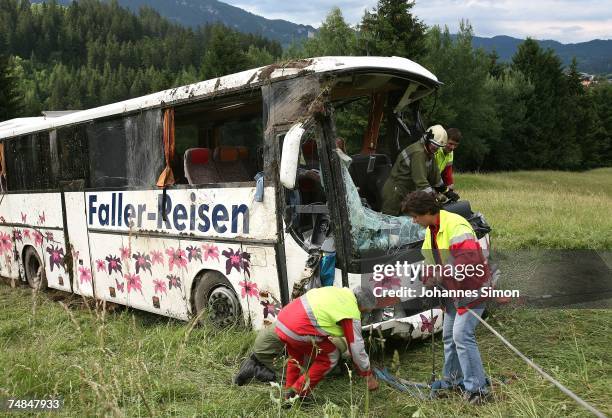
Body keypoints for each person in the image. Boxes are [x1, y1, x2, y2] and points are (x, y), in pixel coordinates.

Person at [401, 191, 492, 404]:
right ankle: (453, 382)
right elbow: (430, 260)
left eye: (415, 216)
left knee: (462, 335)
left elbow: (468, 264)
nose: (413, 221)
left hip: (473, 289)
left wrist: (441, 275)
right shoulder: (431, 229)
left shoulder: (456, 226)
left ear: (426, 212)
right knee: (449, 336)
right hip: (452, 291)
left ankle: (478, 391)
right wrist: (428, 276)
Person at [275, 286, 379, 398]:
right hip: (298, 330)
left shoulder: (338, 291)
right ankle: (298, 393)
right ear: (361, 307)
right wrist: (368, 375)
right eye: (366, 312)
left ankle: (288, 392)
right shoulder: (351, 310)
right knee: (330, 356)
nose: (364, 315)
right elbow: (356, 349)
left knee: (296, 356)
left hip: (282, 322)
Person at [233, 323, 350, 386]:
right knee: (293, 378)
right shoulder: (313, 339)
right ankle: (254, 370)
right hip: (266, 348)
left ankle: (258, 359)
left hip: (267, 341)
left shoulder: (313, 325)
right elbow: (309, 362)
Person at [381, 125, 449, 216]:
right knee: (391, 225)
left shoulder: (429, 153)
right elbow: (421, 182)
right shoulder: (419, 153)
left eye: (438, 146)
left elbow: (435, 175)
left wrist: (446, 190)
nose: (436, 148)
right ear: (427, 139)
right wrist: (434, 199)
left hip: (407, 192)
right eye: (434, 144)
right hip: (395, 193)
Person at [434, 128, 461, 201]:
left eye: (455, 145)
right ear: (444, 140)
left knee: (445, 197)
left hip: (435, 181)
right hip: (426, 182)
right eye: (451, 143)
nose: (452, 147)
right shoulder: (435, 150)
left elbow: (447, 175)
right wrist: (444, 191)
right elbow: (430, 175)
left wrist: (450, 191)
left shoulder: (450, 153)